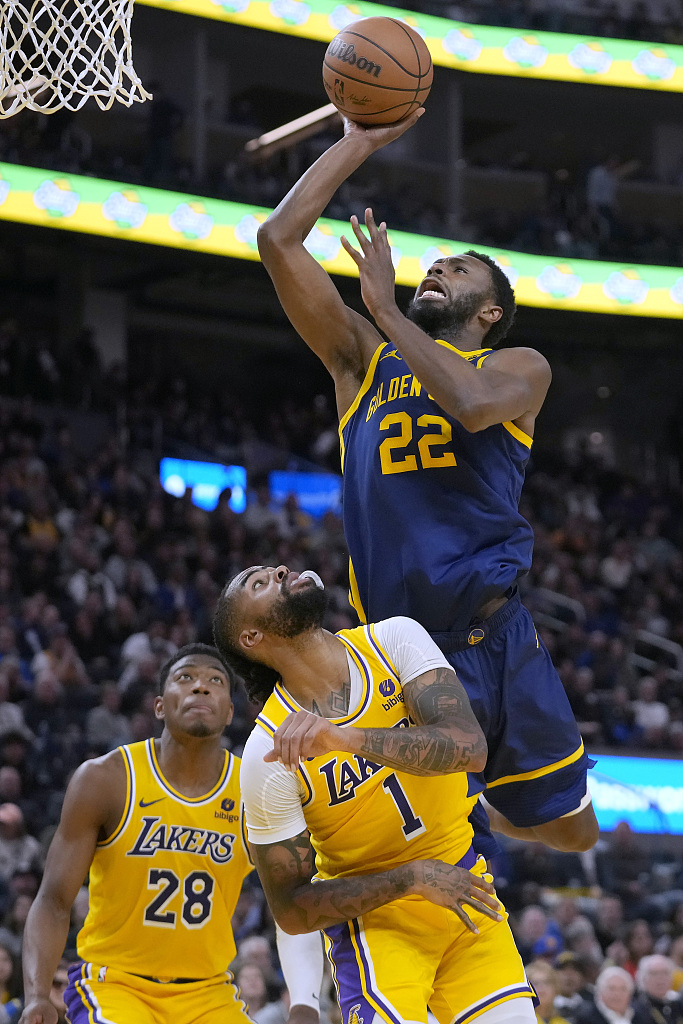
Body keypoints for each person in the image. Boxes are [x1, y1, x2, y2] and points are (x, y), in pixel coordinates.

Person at [256, 110, 598, 854]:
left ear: (489, 311)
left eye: (458, 270)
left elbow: (471, 409)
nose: (437, 271)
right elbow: (276, 241)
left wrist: (381, 305)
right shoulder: (362, 363)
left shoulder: (514, 367)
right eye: (432, 267)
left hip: (496, 632)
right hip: (402, 650)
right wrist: (359, 139)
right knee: (404, 841)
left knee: (574, 833)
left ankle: (499, 810)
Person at [214, 563, 537, 1024]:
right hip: (375, 926)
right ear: (252, 637)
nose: (280, 569)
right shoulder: (268, 751)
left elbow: (470, 748)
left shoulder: (393, 641)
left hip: (464, 886)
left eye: (275, 569)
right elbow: (291, 908)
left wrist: (346, 739)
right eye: (260, 583)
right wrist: (410, 878)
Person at [19, 644, 322, 1024]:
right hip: (116, 985)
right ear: (160, 706)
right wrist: (35, 995)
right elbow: (53, 900)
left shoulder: (251, 791)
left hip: (209, 993)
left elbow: (291, 906)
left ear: (229, 712)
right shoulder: (106, 780)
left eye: (215, 680)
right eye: (186, 678)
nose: (201, 687)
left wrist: (306, 1005)